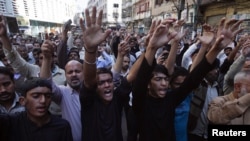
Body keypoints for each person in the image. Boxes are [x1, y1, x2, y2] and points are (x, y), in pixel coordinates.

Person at [131, 17, 243, 141]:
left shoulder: (170, 99)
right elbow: (140, 80)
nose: (163, 83)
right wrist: (151, 48)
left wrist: (215, 49)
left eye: (166, 79)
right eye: (158, 79)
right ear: (148, 84)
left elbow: (192, 80)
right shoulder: (141, 102)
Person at [79, 6, 136, 141]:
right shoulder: (89, 102)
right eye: (101, 83)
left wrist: (150, 48)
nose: (106, 85)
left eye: (109, 81)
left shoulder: (116, 100)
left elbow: (130, 76)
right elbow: (88, 81)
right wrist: (91, 50)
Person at [0, 77, 73, 141]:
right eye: (36, 96)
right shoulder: (11, 123)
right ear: (22, 101)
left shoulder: (62, 126)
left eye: (48, 96)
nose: (43, 101)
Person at [40, 40, 84, 141]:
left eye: (77, 71)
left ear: (84, 73)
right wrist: (47, 58)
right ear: (65, 75)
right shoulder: (63, 93)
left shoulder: (92, 91)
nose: (74, 74)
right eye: (70, 72)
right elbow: (46, 82)